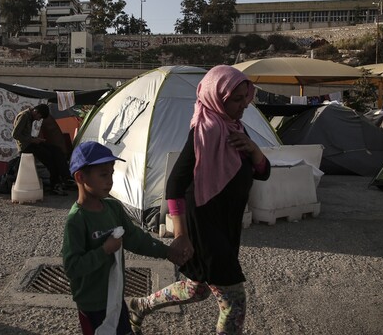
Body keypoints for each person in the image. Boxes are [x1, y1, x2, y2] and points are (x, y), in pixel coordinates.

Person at [127, 65, 271, 335]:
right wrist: (180, 235)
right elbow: (174, 185)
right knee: (234, 300)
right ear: (218, 97)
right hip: (203, 225)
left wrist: (254, 150)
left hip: (227, 223)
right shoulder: (202, 132)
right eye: (236, 100)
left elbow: (263, 173)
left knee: (197, 287)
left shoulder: (237, 128)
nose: (243, 106)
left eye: (245, 98)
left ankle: (139, 306)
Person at [62, 141, 187, 335]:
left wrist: (167, 252)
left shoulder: (114, 208)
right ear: (80, 176)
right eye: (103, 174)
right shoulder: (77, 220)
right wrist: (104, 250)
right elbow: (73, 267)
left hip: (115, 297)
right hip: (92, 304)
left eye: (111, 173)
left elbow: (136, 239)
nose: (110, 180)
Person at [12, 103, 70, 196]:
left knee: (56, 150)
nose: (38, 119)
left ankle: (65, 177)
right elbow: (15, 135)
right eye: (39, 117)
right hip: (26, 147)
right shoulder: (24, 116)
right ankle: (55, 185)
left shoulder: (29, 116)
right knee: (49, 158)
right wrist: (32, 140)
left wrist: (36, 139)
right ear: (36, 111)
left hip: (30, 143)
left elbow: (24, 134)